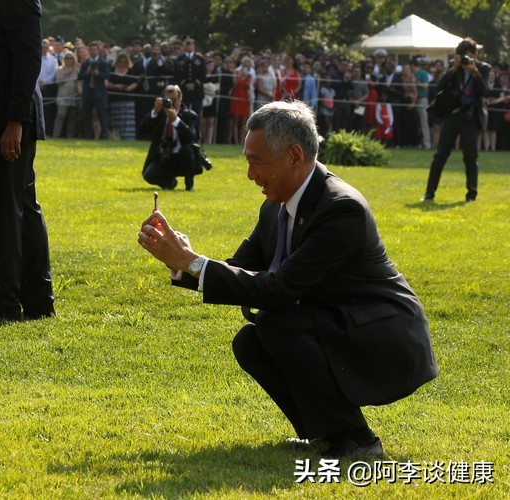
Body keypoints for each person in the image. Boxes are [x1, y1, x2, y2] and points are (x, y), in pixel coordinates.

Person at [138, 100, 438, 458]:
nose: (250, 175)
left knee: (277, 323)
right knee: (251, 341)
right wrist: (183, 260)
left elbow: (280, 289)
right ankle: (326, 434)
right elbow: (241, 267)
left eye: (256, 162)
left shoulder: (342, 208)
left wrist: (194, 262)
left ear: (294, 155)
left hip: (382, 338)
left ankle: (358, 439)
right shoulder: (275, 205)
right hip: (336, 325)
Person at [0, 0, 54, 322]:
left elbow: (29, 58)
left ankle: (4, 303)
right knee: (21, 208)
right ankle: (36, 299)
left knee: (4, 210)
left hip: (6, 119)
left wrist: (15, 121)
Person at [422, 38, 491, 202]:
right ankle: (429, 193)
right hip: (452, 114)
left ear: (475, 54)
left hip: (471, 116)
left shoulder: (483, 68)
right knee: (440, 155)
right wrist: (452, 70)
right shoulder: (454, 66)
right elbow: (440, 87)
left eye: (468, 54)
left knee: (470, 157)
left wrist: (474, 72)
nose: (465, 58)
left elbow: (485, 92)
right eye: (461, 55)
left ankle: (471, 194)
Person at [139, 85, 199, 191]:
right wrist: (155, 112)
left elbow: (192, 136)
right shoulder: (159, 114)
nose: (170, 103)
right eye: (167, 99)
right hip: (164, 157)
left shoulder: (189, 115)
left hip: (182, 157)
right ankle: (169, 183)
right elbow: (142, 130)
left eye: (173, 100)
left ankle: (189, 184)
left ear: (180, 101)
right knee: (149, 174)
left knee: (186, 151)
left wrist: (175, 120)